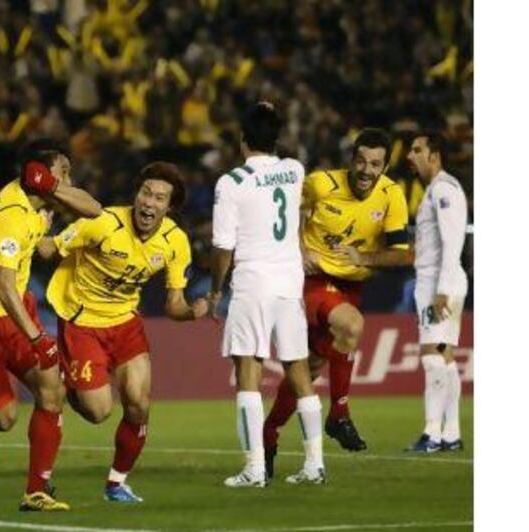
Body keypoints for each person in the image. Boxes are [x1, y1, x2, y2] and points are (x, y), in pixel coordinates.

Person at [36, 161, 208, 503]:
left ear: (169, 207)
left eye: (159, 198)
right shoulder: (102, 223)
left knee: (139, 404)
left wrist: (191, 312)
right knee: (98, 411)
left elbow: (173, 303)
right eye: (146, 193)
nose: (149, 203)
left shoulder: (175, 241)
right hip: (82, 322)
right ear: (136, 194)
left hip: (126, 323)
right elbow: (48, 249)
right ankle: (74, 387)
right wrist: (29, 228)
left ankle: (116, 483)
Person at [0, 139, 102, 512]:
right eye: (64, 172)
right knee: (4, 419)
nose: (69, 180)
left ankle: (37, 490)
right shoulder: (13, 215)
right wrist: (37, 337)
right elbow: (1, 285)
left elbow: (94, 210)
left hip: (16, 311)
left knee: (52, 389)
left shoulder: (38, 203)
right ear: (43, 174)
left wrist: (51, 186)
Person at [263, 128, 412, 474]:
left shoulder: (392, 196)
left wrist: (365, 259)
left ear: (385, 166)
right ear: (351, 160)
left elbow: (400, 254)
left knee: (310, 369)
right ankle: (339, 413)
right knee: (352, 324)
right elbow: (277, 210)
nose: (365, 170)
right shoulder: (320, 184)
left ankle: (268, 433)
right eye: (360, 161)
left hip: (351, 285)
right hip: (312, 282)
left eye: (375, 164)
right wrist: (298, 248)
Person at [208, 102, 326, 486]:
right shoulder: (294, 171)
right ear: (276, 137)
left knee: (248, 373)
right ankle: (314, 465)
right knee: (298, 371)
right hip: (289, 283)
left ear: (242, 139)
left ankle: (254, 468)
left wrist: (214, 290)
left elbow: (223, 247)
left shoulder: (231, 183)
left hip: (253, 283)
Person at [404, 131, 468, 453]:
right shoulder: (437, 188)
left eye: (417, 150)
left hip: (439, 284)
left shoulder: (442, 188)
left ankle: (431, 434)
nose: (410, 156)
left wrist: (441, 290)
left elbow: (452, 240)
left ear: (435, 155)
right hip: (442, 282)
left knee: (432, 356)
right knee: (444, 356)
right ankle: (452, 433)